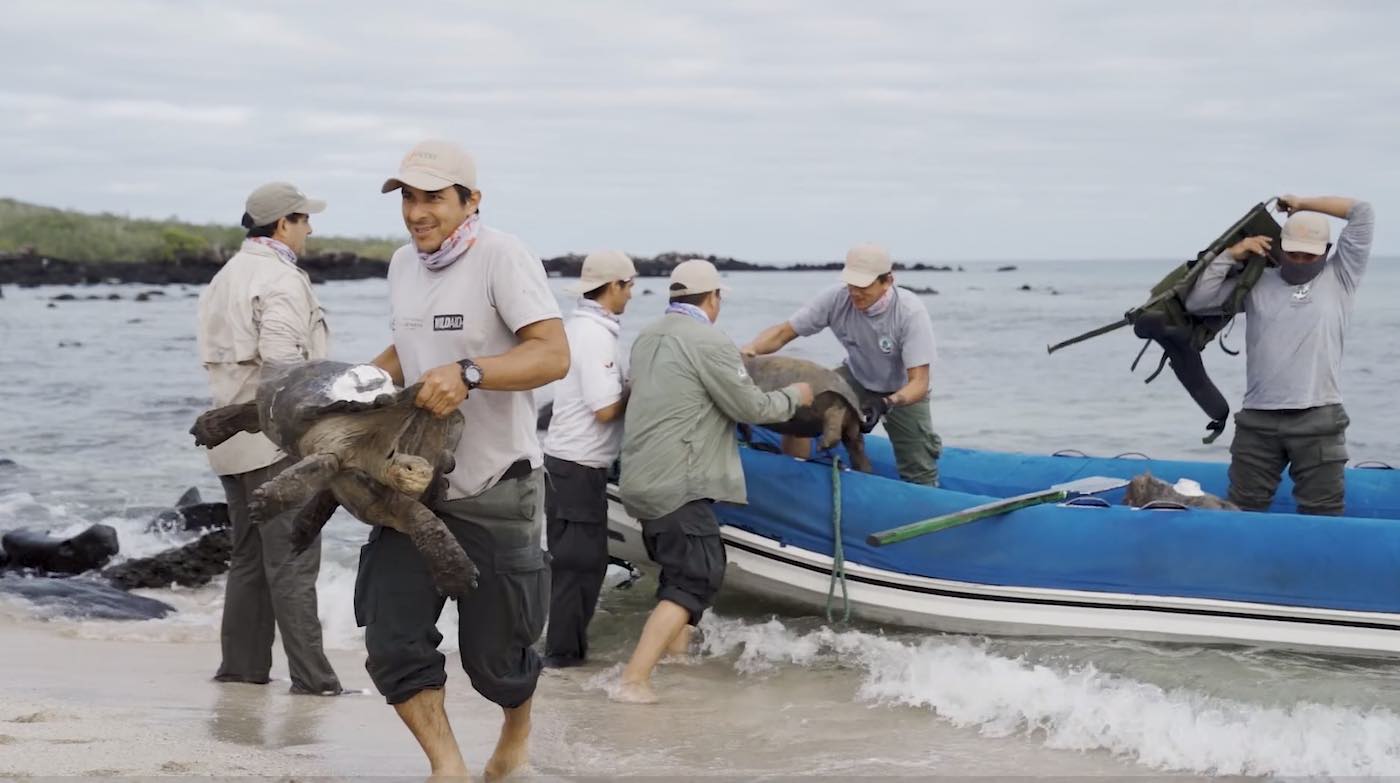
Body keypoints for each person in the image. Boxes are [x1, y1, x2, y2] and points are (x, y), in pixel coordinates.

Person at [362, 139, 569, 779]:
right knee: (392, 641)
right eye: (409, 198)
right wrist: (360, 384)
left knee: (497, 660)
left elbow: (552, 354)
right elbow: (408, 347)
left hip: (496, 484)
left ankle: (517, 725)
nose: (418, 212)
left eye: (433, 198)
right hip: (411, 490)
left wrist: (472, 372)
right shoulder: (402, 263)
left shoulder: (501, 257)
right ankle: (447, 766)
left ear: (470, 200)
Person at [614, 259, 813, 704]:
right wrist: (795, 396)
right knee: (698, 577)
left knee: (678, 573)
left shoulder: (647, 337)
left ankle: (676, 661)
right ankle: (633, 679)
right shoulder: (709, 341)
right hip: (677, 483)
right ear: (713, 297)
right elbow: (751, 408)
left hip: (641, 478)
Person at [196, 181, 342, 696]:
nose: (310, 228)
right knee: (295, 560)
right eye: (304, 219)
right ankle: (315, 680)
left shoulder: (225, 276)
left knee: (249, 558)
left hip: (229, 442)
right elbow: (281, 362)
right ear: (283, 224)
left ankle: (242, 668)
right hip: (274, 442)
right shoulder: (281, 280)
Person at [1185, 194, 1374, 515]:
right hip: (1258, 419)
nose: (1301, 260)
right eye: (1293, 253)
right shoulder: (1257, 282)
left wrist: (1302, 204)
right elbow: (1198, 302)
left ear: (1327, 252)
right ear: (1278, 248)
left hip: (1319, 418)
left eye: (1309, 255)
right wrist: (1231, 255)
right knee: (1243, 509)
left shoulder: (1341, 276)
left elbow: (1362, 212)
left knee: (1323, 511)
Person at [741, 243, 941, 485]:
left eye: (864, 286)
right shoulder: (836, 298)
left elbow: (919, 382)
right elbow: (784, 332)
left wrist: (885, 403)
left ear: (887, 281)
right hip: (855, 376)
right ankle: (793, 480)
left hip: (902, 391)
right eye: (851, 284)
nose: (855, 292)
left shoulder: (909, 312)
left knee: (918, 466)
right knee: (798, 405)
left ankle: (918, 499)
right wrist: (749, 350)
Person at [541, 250, 637, 668]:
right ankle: (562, 659)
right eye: (629, 285)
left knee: (571, 563)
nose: (632, 294)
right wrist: (639, 387)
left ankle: (560, 651)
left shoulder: (575, 327)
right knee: (582, 566)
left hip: (561, 460)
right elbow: (604, 408)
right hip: (579, 465)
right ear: (613, 286)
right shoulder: (597, 336)